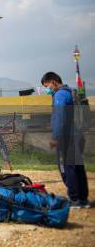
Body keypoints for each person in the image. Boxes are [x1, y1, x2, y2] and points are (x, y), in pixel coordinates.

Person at [41, 71, 90, 209]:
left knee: (68, 169)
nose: (47, 89)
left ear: (53, 82)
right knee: (78, 167)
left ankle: (74, 199)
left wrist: (55, 138)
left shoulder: (60, 95)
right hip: (77, 136)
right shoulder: (70, 92)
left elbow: (60, 117)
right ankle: (83, 199)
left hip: (67, 139)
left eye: (47, 86)